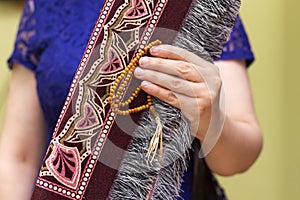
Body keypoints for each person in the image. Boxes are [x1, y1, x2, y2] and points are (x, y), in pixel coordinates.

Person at [0, 0, 263, 199]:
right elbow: (18, 157)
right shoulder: (44, 6)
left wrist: (210, 116)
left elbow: (239, 158)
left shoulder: (195, 7)